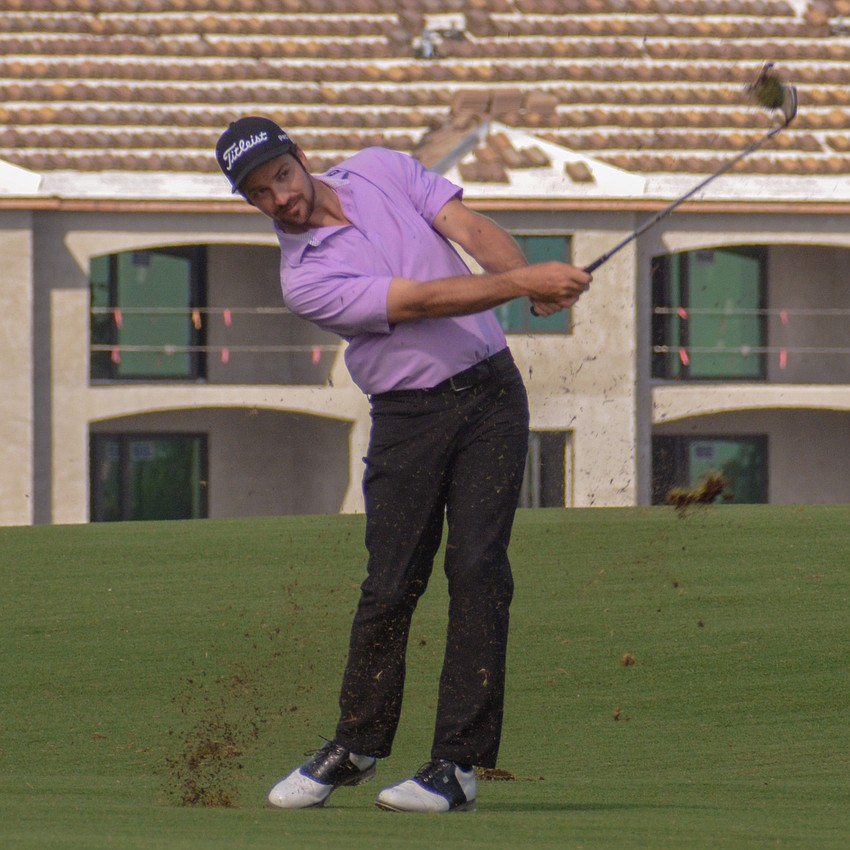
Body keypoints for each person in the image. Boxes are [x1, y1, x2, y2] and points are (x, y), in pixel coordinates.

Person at [215, 117, 591, 813]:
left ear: (302, 158)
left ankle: (457, 766)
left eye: (282, 177)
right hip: (408, 419)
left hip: (491, 398)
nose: (281, 200)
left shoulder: (381, 168)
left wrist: (521, 275)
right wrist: (520, 285)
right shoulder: (306, 277)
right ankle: (357, 743)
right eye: (261, 195)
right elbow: (419, 301)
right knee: (390, 586)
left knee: (479, 569)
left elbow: (469, 227)